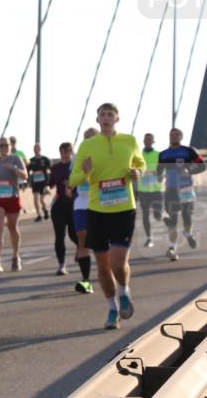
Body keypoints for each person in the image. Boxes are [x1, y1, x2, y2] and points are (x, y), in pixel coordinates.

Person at [69, 104, 145, 330]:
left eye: (110, 114)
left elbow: (140, 164)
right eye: (102, 114)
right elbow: (73, 180)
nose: (106, 117)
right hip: (98, 210)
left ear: (117, 118)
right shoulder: (88, 145)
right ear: (97, 119)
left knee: (118, 262)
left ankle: (124, 292)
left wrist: (137, 173)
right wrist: (84, 170)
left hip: (123, 208)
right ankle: (112, 310)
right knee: (102, 266)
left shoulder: (129, 141)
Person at [156, 127, 206, 261]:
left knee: (187, 218)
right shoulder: (163, 154)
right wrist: (159, 177)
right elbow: (159, 170)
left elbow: (202, 166)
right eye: (171, 134)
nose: (173, 137)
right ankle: (172, 248)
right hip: (171, 190)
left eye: (176, 134)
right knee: (173, 220)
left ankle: (188, 233)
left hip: (186, 189)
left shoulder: (189, 151)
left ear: (181, 137)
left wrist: (189, 172)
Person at [0, 136, 28, 272]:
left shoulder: (16, 159)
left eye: (6, 145)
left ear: (10, 146)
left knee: (12, 228)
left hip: (12, 197)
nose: (3, 148)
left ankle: (16, 256)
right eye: (1, 146)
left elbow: (25, 176)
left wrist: (14, 168)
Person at [71, 128, 98, 294]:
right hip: (81, 203)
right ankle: (86, 280)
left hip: (101, 203)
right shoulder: (77, 158)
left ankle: (108, 272)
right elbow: (73, 180)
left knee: (102, 244)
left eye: (91, 138)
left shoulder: (105, 157)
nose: (88, 141)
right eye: (85, 138)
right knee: (82, 237)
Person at [48, 142, 77, 275]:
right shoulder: (56, 168)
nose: (65, 153)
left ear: (72, 151)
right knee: (59, 236)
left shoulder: (76, 166)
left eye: (67, 150)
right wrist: (46, 188)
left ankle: (81, 248)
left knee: (73, 234)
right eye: (62, 151)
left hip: (74, 204)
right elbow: (51, 183)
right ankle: (62, 265)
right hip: (59, 204)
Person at [137, 132, 164, 247]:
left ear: (153, 141)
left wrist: (160, 175)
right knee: (145, 214)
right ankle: (149, 238)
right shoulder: (138, 155)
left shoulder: (159, 155)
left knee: (157, 215)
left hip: (156, 189)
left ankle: (159, 215)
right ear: (143, 141)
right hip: (143, 190)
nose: (148, 141)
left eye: (150, 139)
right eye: (146, 139)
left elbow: (164, 170)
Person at [27, 143, 51, 222]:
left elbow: (50, 170)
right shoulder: (31, 160)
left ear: (40, 149)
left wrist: (49, 183)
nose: (36, 150)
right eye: (35, 148)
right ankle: (39, 215)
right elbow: (27, 171)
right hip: (35, 183)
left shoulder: (45, 159)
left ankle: (45, 210)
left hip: (43, 182)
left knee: (41, 200)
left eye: (37, 148)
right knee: (35, 199)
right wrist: (28, 182)